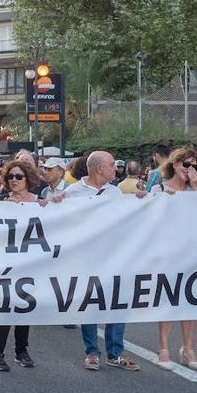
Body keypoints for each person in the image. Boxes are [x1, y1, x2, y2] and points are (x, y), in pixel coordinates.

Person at [66, 151, 140, 371]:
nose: (114, 169)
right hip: (86, 259)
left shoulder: (114, 192)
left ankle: (114, 353)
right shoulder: (72, 192)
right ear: (99, 168)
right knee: (90, 305)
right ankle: (92, 352)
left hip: (113, 257)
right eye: (111, 165)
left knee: (116, 304)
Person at [148, 146, 197, 371]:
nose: (189, 169)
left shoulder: (195, 191)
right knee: (168, 300)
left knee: (190, 301)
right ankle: (163, 348)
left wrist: (196, 186)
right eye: (186, 164)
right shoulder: (159, 189)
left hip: (191, 252)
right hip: (167, 253)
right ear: (174, 164)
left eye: (194, 166)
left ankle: (188, 348)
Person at [0, 158, 43, 370]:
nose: (14, 180)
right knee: (4, 309)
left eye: (18, 177)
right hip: (6, 264)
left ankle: (22, 351)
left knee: (24, 308)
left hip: (31, 263)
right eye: (10, 176)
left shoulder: (40, 202)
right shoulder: (1, 202)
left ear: (28, 179)